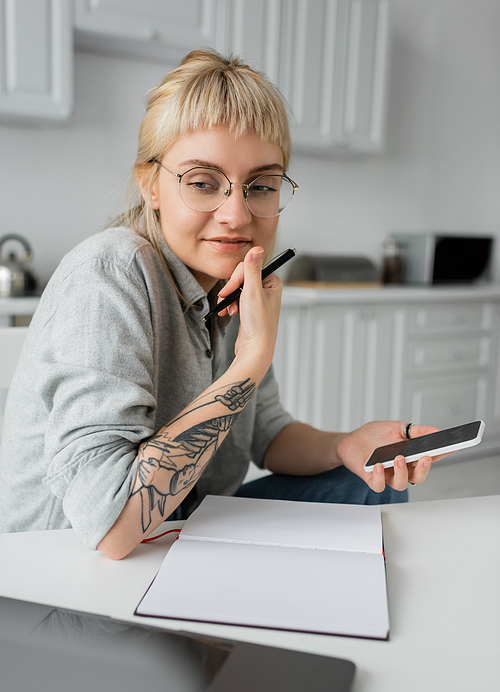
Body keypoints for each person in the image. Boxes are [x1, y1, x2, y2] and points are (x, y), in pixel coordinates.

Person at [0, 50, 439, 560]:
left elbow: (267, 435)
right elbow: (111, 526)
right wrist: (250, 359)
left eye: (261, 186)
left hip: (181, 523)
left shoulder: (228, 283)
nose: (236, 213)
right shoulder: (111, 271)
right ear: (151, 185)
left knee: (367, 483)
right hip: (72, 563)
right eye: (203, 182)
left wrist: (348, 443)